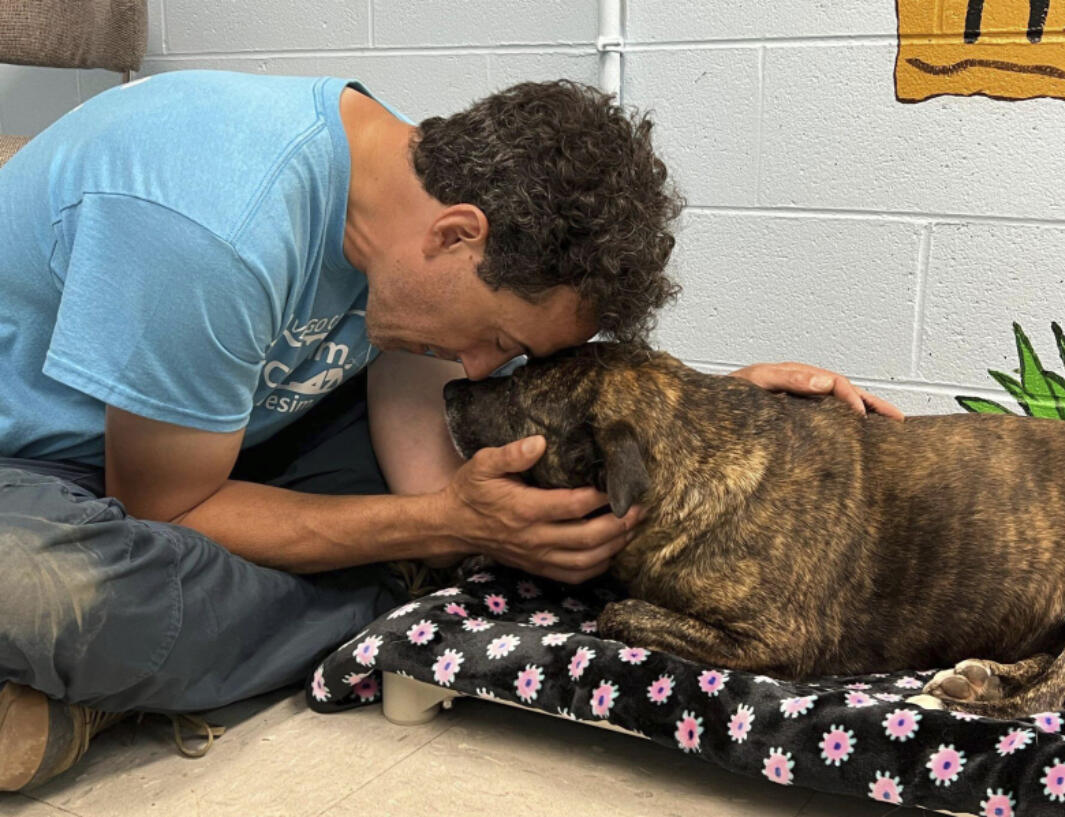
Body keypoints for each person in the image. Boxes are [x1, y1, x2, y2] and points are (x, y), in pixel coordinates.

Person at [0, 70, 903, 790]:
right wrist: (445, 528)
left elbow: (464, 414)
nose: (484, 367)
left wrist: (712, 418)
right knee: (39, 591)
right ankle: (366, 612)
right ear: (458, 235)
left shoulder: (402, 192)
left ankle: (203, 656)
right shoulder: (218, 228)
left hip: (225, 436)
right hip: (56, 467)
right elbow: (164, 505)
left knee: (523, 483)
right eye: (500, 339)